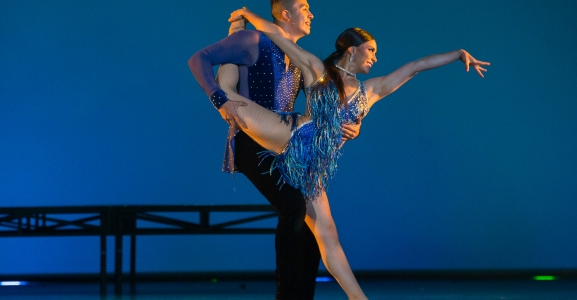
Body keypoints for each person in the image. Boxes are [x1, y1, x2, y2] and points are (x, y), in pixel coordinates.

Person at [191, 7, 490, 299]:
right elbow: (276, 35)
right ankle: (232, 44)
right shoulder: (320, 74)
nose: (375, 57)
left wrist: (458, 54)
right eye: (370, 50)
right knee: (232, 100)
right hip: (291, 136)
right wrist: (247, 17)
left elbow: (414, 67)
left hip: (313, 166)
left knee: (327, 236)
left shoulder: (369, 91)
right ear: (352, 51)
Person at [188, 1, 361, 299]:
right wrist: (220, 99)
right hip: (254, 143)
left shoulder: (300, 59)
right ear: (285, 14)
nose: (311, 13)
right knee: (293, 206)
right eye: (303, 6)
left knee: (310, 223)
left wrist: (353, 127)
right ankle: (286, 294)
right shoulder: (253, 40)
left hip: (289, 147)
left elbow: (329, 105)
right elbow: (198, 59)